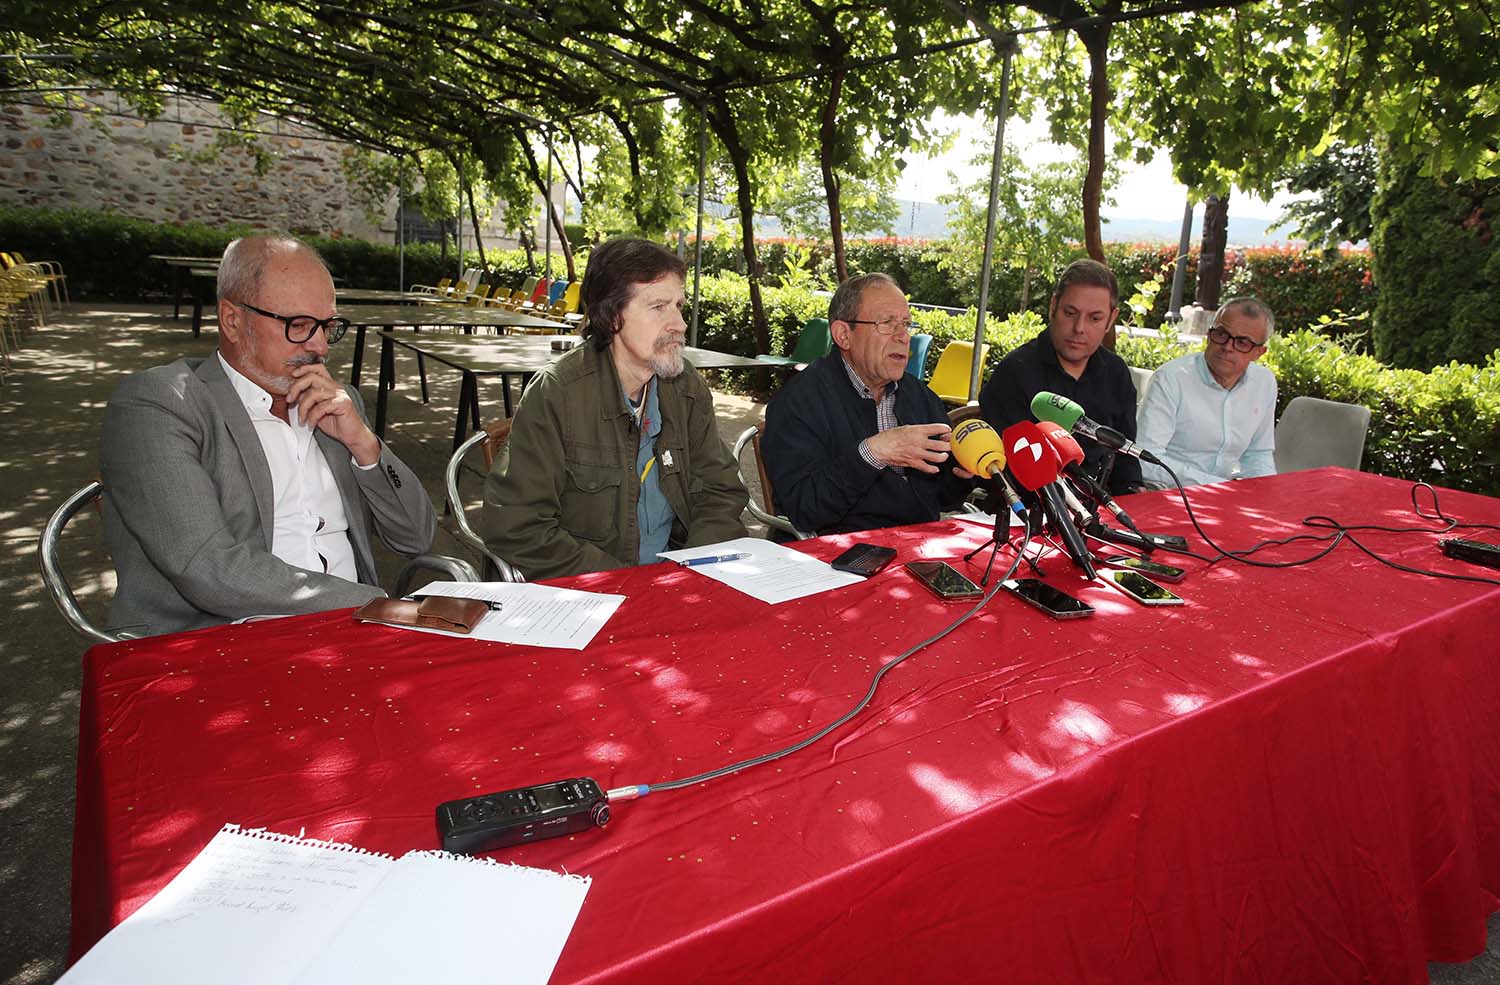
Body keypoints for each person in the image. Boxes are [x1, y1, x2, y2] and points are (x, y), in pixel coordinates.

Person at [100, 235, 437, 637]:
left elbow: (416, 537)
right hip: (222, 643)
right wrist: (371, 604)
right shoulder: (163, 403)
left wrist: (363, 443)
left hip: (353, 634)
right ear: (232, 320)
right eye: (298, 325)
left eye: (328, 326)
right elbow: (209, 568)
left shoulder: (334, 404)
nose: (319, 346)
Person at [482, 237, 748, 580]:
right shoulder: (557, 395)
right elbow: (517, 526)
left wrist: (687, 572)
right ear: (611, 316)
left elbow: (722, 491)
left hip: (675, 584)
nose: (679, 324)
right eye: (658, 307)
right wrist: (626, 583)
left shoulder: (685, 388)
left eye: (679, 306)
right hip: (588, 595)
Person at [761, 273, 973, 534]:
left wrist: (962, 474)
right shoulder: (798, 402)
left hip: (916, 548)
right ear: (843, 335)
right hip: (835, 557)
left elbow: (942, 499)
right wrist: (873, 453)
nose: (903, 337)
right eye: (887, 323)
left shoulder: (919, 396)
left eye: (906, 324)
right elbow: (805, 509)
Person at [978, 258, 1142, 494]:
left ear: (1111, 320)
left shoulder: (1116, 373)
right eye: (1070, 312)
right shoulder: (1015, 372)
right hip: (1033, 510)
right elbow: (1009, 474)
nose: (1079, 328)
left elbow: (1126, 461)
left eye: (1094, 318)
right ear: (1053, 306)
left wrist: (1135, 498)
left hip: (1105, 510)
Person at [1135, 297, 1278, 487]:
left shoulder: (1264, 383)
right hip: (1165, 491)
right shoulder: (1171, 379)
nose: (1227, 347)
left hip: (1226, 493)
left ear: (1259, 353)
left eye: (1242, 342)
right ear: (1209, 334)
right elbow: (1145, 459)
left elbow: (1258, 454)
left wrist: (1264, 492)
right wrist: (1218, 486)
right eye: (1221, 334)